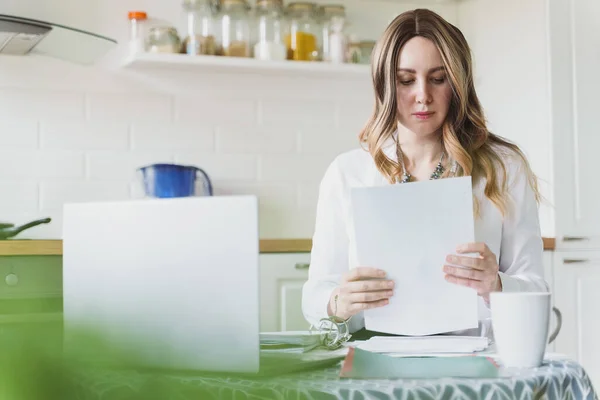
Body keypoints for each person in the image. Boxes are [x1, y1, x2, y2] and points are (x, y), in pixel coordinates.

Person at [301, 9, 549, 339]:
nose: (422, 95)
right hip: (377, 358)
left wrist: (497, 284)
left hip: (477, 360)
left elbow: (536, 289)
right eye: (406, 80)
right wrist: (338, 302)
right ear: (385, 85)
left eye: (438, 78)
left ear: (458, 84)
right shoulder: (347, 173)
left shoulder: (504, 168)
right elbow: (315, 294)